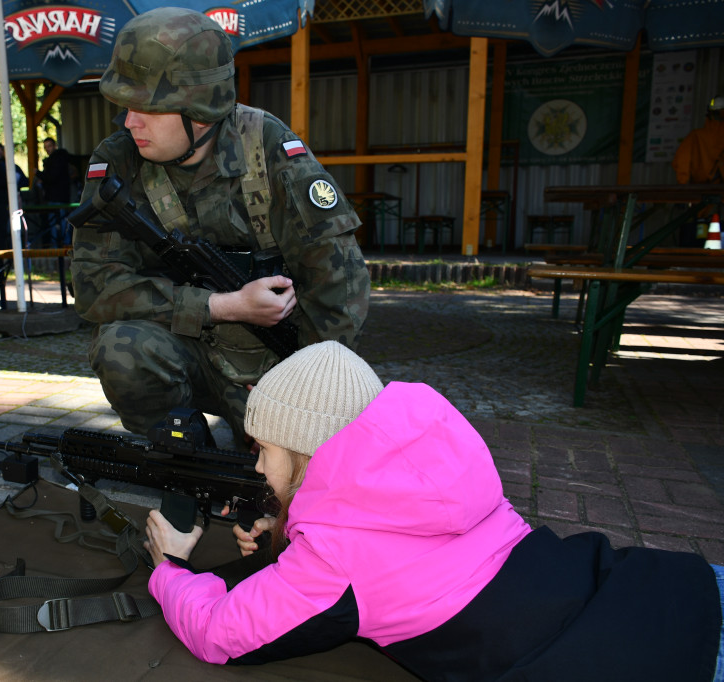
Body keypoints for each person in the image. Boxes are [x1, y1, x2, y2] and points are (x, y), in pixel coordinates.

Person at [143, 340, 724, 679]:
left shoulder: (335, 559)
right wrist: (294, 529)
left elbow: (220, 633)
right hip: (674, 591)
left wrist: (169, 568)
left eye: (263, 448)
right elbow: (384, 540)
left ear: (304, 453)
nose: (258, 466)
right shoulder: (441, 477)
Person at [70, 8, 370, 448]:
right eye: (126, 106)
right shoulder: (118, 161)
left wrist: (299, 391)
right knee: (121, 348)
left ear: (202, 109)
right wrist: (223, 306)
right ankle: (187, 460)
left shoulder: (269, 150)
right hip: (185, 354)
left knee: (296, 490)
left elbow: (338, 285)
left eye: (147, 108)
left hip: (275, 365)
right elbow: (95, 288)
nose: (130, 121)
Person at [673, 95, 724, 184]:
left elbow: (681, 162)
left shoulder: (696, 136)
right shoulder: (696, 137)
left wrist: (684, 185)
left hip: (700, 189)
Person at [38, 136, 75, 246]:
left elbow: (52, 177)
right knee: (58, 222)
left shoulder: (57, 160)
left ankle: (61, 244)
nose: (47, 149)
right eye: (45, 147)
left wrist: (39, 174)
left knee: (60, 222)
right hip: (57, 196)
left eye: (49, 146)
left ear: (54, 146)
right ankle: (62, 243)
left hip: (58, 197)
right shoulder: (59, 160)